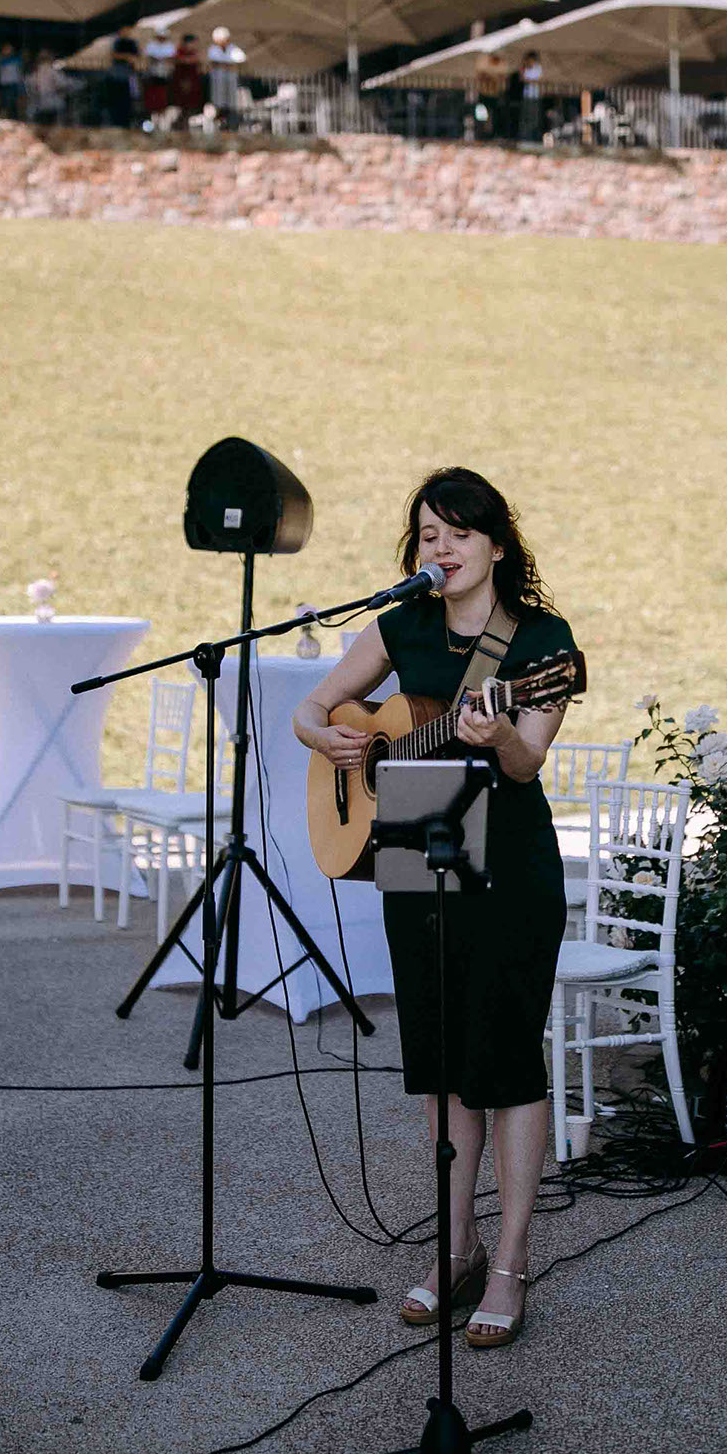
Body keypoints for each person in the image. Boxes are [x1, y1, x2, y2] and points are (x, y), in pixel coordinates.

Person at [292, 468, 577, 1350]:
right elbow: (312, 705)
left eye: (457, 534)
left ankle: (510, 1262)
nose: (441, 549)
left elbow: (526, 764)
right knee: (443, 1061)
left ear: (497, 544)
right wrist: (328, 734)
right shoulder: (402, 624)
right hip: (417, 851)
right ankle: (454, 1248)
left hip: (510, 868)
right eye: (427, 535)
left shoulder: (541, 642)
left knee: (507, 1063)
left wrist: (498, 735)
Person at [206, 26, 245, 127]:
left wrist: (222, 65)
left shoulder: (234, 49)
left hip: (231, 82)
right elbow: (212, 63)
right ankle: (220, 119)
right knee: (219, 103)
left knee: (231, 104)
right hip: (218, 82)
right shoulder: (213, 49)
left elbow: (240, 62)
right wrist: (227, 65)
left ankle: (231, 121)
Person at [140, 24, 176, 128]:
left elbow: (171, 58)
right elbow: (150, 57)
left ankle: (164, 120)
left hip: (165, 75)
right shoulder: (151, 45)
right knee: (153, 97)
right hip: (153, 75)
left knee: (163, 97)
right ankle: (153, 119)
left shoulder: (170, 46)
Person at [170, 33, 204, 124]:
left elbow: (198, 61)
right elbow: (179, 60)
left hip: (193, 80)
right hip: (182, 80)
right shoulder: (179, 52)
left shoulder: (194, 52)